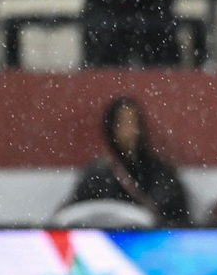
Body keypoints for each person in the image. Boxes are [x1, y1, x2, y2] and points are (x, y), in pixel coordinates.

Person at [65, 96, 191, 226]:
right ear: (111, 128)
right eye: (123, 123)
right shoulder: (97, 176)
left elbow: (179, 222)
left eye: (133, 122)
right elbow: (74, 217)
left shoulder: (160, 174)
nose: (129, 130)